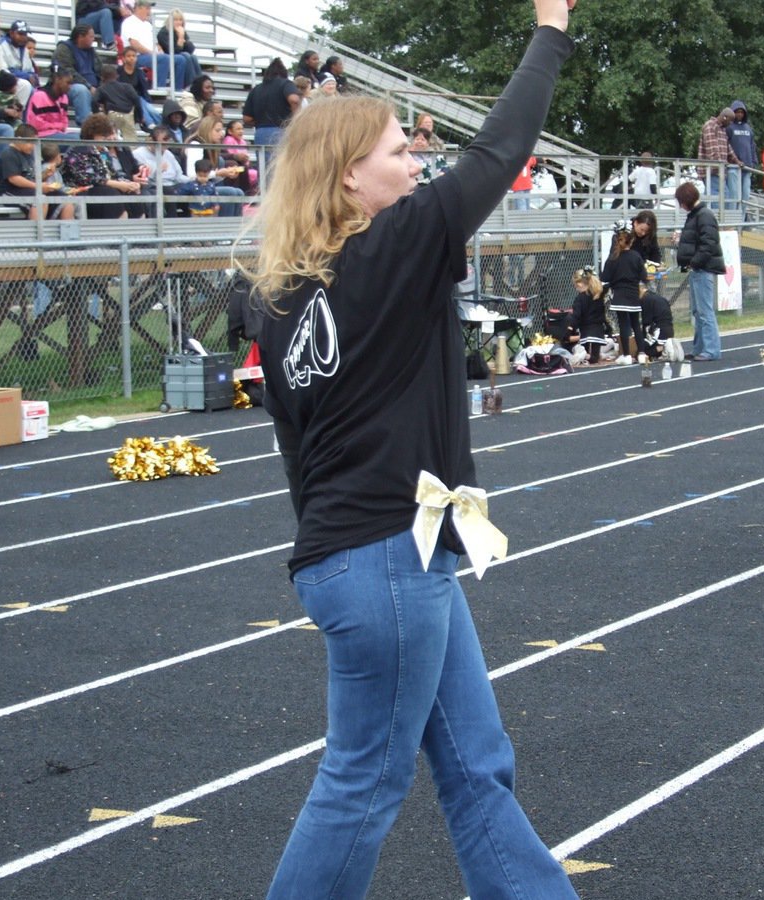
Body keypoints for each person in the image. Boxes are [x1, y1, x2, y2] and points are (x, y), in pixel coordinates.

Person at [247, 1, 579, 897]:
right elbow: (499, 152)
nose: (418, 162)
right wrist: (550, 28)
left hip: (374, 549)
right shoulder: (391, 247)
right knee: (362, 781)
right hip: (383, 556)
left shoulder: (278, 297)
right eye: (400, 150)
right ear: (351, 177)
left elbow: (298, 451)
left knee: (476, 759)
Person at [61, 112, 146, 218]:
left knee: (132, 194)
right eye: (103, 136)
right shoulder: (78, 151)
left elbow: (113, 174)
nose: (107, 139)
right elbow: (88, 179)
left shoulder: (103, 151)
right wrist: (119, 185)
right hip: (82, 191)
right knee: (110, 193)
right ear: (92, 135)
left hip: (104, 188)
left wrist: (130, 184)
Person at [674, 180, 723, 361]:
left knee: (705, 311)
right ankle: (699, 348)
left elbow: (708, 244)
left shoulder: (704, 215)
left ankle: (711, 350)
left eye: (680, 202)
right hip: (697, 268)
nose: (680, 206)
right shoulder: (696, 215)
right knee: (698, 311)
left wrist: (694, 262)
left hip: (703, 269)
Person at [0, 121, 76, 219]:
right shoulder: (9, 154)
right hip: (11, 191)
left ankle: (66, 233)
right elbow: (14, 178)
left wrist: (45, 175)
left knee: (66, 200)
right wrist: (38, 186)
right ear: (19, 140)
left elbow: (32, 178)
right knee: (40, 200)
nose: (33, 146)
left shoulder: (30, 154)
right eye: (30, 142)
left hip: (30, 188)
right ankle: (38, 233)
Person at [241, 57, 299, 187]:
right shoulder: (286, 84)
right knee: (282, 171)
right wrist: (295, 120)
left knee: (265, 172)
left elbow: (247, 118)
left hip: (261, 133)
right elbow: (294, 100)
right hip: (281, 130)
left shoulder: (256, 89)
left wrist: (260, 120)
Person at [602, 222, 645, 364]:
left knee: (623, 325)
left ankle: (626, 355)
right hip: (633, 295)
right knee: (635, 324)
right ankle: (641, 353)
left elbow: (605, 278)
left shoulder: (613, 258)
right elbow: (643, 275)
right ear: (632, 240)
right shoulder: (636, 256)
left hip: (619, 295)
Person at [182, 115, 244, 215]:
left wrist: (225, 173)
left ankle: (235, 227)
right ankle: (224, 227)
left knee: (239, 192)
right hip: (194, 188)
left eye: (221, 131)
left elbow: (211, 176)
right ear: (208, 129)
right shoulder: (196, 144)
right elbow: (192, 174)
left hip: (205, 186)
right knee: (231, 193)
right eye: (217, 131)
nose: (221, 134)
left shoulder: (211, 147)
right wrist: (218, 173)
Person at [121, 0, 187, 88]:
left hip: (153, 55)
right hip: (138, 56)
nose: (150, 11)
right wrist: (151, 53)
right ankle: (160, 88)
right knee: (163, 59)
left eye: (150, 8)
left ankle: (178, 90)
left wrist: (160, 50)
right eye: (147, 8)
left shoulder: (148, 25)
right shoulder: (129, 22)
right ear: (138, 8)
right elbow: (134, 44)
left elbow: (156, 44)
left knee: (181, 59)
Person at [53, 23, 100, 124]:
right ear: (80, 37)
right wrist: (88, 86)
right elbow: (67, 71)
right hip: (69, 87)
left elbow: (100, 71)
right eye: (91, 36)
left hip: (93, 88)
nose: (93, 39)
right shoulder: (64, 48)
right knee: (81, 90)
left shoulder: (92, 52)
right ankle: (86, 127)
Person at [569, 265, 608, 365]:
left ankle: (583, 355)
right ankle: (585, 356)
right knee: (595, 358)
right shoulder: (597, 295)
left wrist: (570, 326)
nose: (576, 288)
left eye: (575, 286)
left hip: (586, 330)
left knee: (589, 355)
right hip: (598, 330)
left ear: (580, 284)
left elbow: (576, 315)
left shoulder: (580, 299)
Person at [25, 63, 74, 140]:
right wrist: (57, 126)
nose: (70, 87)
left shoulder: (64, 98)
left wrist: (57, 127)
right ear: (57, 80)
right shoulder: (40, 96)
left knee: (82, 138)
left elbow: (64, 122)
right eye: (67, 83)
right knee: (76, 139)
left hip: (58, 134)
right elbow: (36, 124)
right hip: (41, 136)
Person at [697, 107, 733, 207]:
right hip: (713, 171)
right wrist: (719, 165)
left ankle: (702, 215)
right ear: (724, 117)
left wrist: (737, 161)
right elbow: (712, 150)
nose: (730, 124)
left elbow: (728, 148)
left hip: (719, 171)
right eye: (730, 120)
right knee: (721, 198)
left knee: (715, 197)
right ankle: (716, 221)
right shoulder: (710, 126)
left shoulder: (722, 129)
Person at [725, 100, 757, 216]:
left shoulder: (748, 128)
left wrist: (754, 162)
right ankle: (731, 222)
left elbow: (752, 146)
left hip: (747, 168)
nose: (739, 114)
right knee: (734, 196)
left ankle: (740, 223)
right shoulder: (729, 127)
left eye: (741, 112)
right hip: (733, 167)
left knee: (745, 197)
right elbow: (726, 146)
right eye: (737, 112)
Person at [116, 43, 160, 127]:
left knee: (152, 110)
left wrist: (148, 102)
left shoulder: (139, 72)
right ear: (124, 58)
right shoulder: (119, 71)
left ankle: (161, 125)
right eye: (129, 56)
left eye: (134, 56)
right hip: (124, 98)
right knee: (140, 103)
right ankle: (150, 123)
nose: (132, 58)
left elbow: (144, 89)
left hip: (138, 97)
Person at [95, 62, 141, 139]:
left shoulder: (101, 89)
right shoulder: (127, 86)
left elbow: (94, 101)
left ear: (102, 78)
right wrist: (138, 116)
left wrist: (96, 113)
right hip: (128, 114)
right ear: (117, 76)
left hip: (112, 114)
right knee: (131, 140)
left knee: (110, 137)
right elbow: (137, 100)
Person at [156, 9, 201, 85]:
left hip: (180, 56)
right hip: (167, 58)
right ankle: (191, 84)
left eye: (180, 20)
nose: (178, 22)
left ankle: (200, 83)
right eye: (175, 20)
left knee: (193, 57)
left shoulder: (181, 31)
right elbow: (172, 51)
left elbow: (191, 49)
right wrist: (180, 39)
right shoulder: (163, 32)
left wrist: (182, 36)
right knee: (185, 56)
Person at [638, 279, 676, 360]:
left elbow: (647, 323)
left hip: (660, 332)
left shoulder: (646, 300)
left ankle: (663, 347)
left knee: (641, 352)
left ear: (640, 289)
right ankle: (665, 345)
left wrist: (642, 339)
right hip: (669, 330)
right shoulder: (659, 298)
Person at [0, 19, 38, 92]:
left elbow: (29, 69)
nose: (23, 37)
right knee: (27, 87)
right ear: (11, 33)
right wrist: (27, 76)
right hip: (7, 83)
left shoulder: (24, 48)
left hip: (23, 82)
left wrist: (34, 76)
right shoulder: (2, 45)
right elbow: (5, 71)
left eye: (25, 34)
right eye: (20, 34)